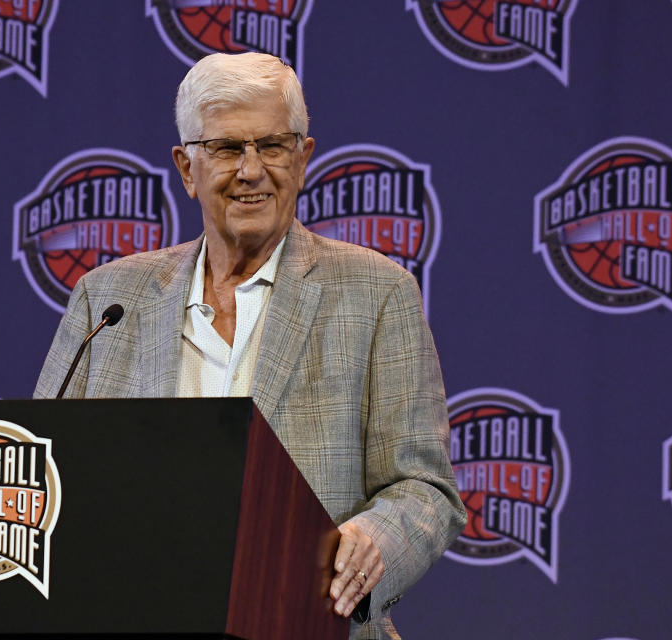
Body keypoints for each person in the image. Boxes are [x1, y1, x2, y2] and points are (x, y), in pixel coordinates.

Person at [35, 52, 466, 640]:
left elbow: (425, 489)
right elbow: (42, 475)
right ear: (187, 168)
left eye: (273, 145)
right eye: (228, 149)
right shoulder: (108, 299)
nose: (252, 169)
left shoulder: (376, 292)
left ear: (304, 158)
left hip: (311, 625)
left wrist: (374, 542)